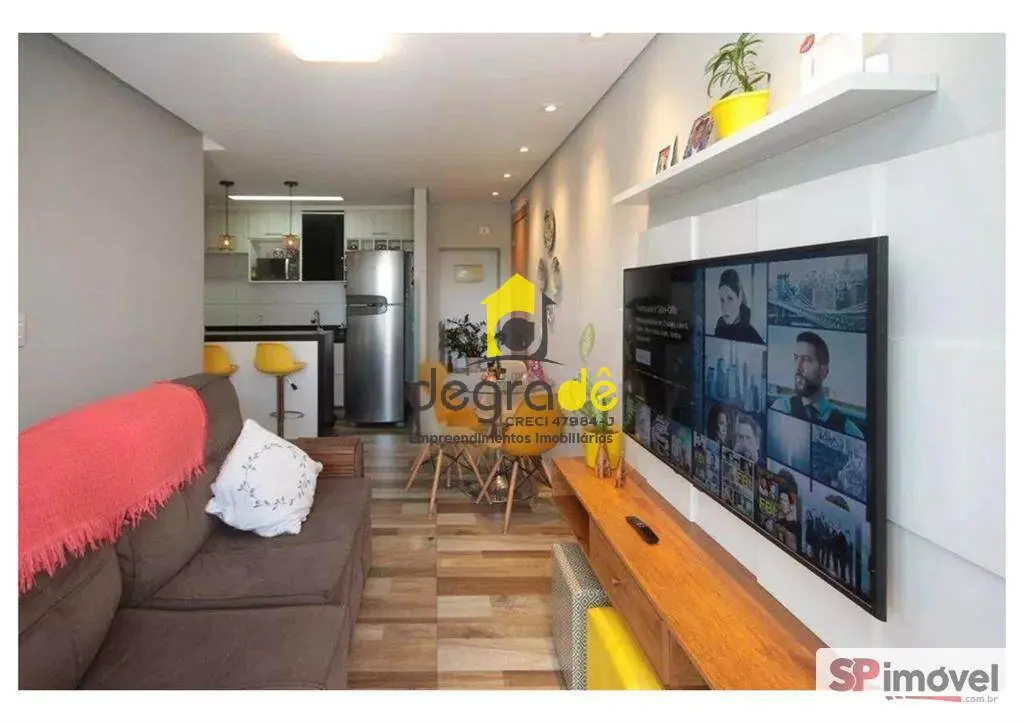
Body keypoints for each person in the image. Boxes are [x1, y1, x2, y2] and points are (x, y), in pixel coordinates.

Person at [770, 331, 865, 439]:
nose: (798, 367)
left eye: (806, 360)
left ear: (823, 371)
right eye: (796, 358)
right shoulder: (780, 408)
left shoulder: (848, 430)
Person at [713, 269, 765, 344]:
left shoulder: (752, 337)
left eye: (730, 299)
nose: (725, 307)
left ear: (740, 298)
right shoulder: (719, 330)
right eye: (722, 300)